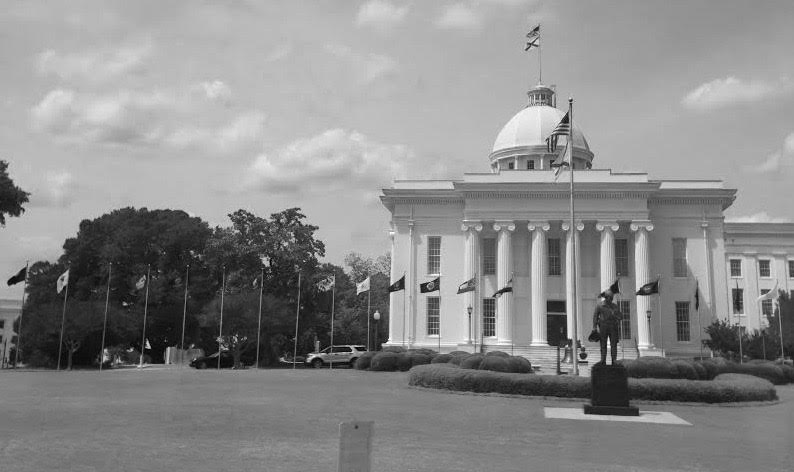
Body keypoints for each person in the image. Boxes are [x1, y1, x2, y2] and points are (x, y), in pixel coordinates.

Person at [592, 291, 622, 365]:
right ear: (606, 298)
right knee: (603, 344)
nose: (611, 299)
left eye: (612, 298)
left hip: (613, 326)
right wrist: (594, 327)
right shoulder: (600, 305)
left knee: (613, 344)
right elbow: (595, 316)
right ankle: (603, 360)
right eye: (610, 298)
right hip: (603, 326)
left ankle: (614, 360)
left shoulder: (615, 306)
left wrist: (616, 315)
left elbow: (620, 317)